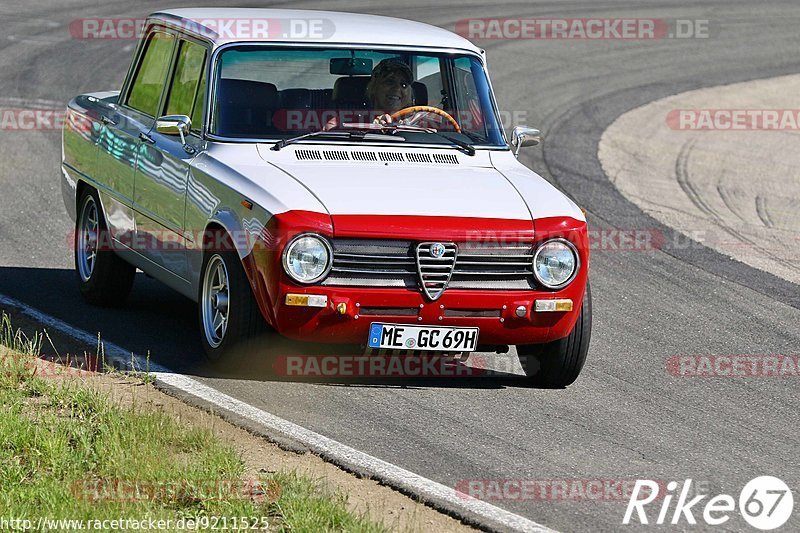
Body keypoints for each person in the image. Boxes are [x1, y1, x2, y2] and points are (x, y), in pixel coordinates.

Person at [365, 59, 414, 124]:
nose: (397, 88)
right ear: (374, 86)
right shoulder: (355, 122)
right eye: (390, 82)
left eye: (403, 85)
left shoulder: (418, 122)